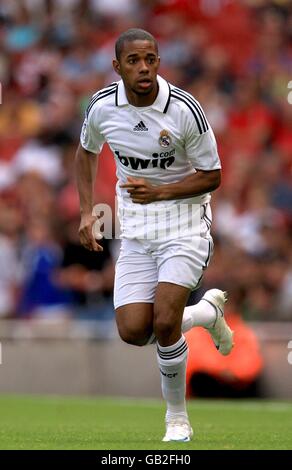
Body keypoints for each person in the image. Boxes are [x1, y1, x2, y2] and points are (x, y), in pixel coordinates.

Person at [75, 28, 234, 442]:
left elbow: (213, 175)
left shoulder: (184, 109)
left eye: (150, 59)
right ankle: (206, 315)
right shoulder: (102, 107)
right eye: (133, 61)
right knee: (133, 330)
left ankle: (177, 418)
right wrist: (86, 212)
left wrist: (160, 191)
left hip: (184, 226)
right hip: (135, 232)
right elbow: (86, 151)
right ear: (117, 66)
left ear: (159, 61)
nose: (143, 68)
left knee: (165, 323)